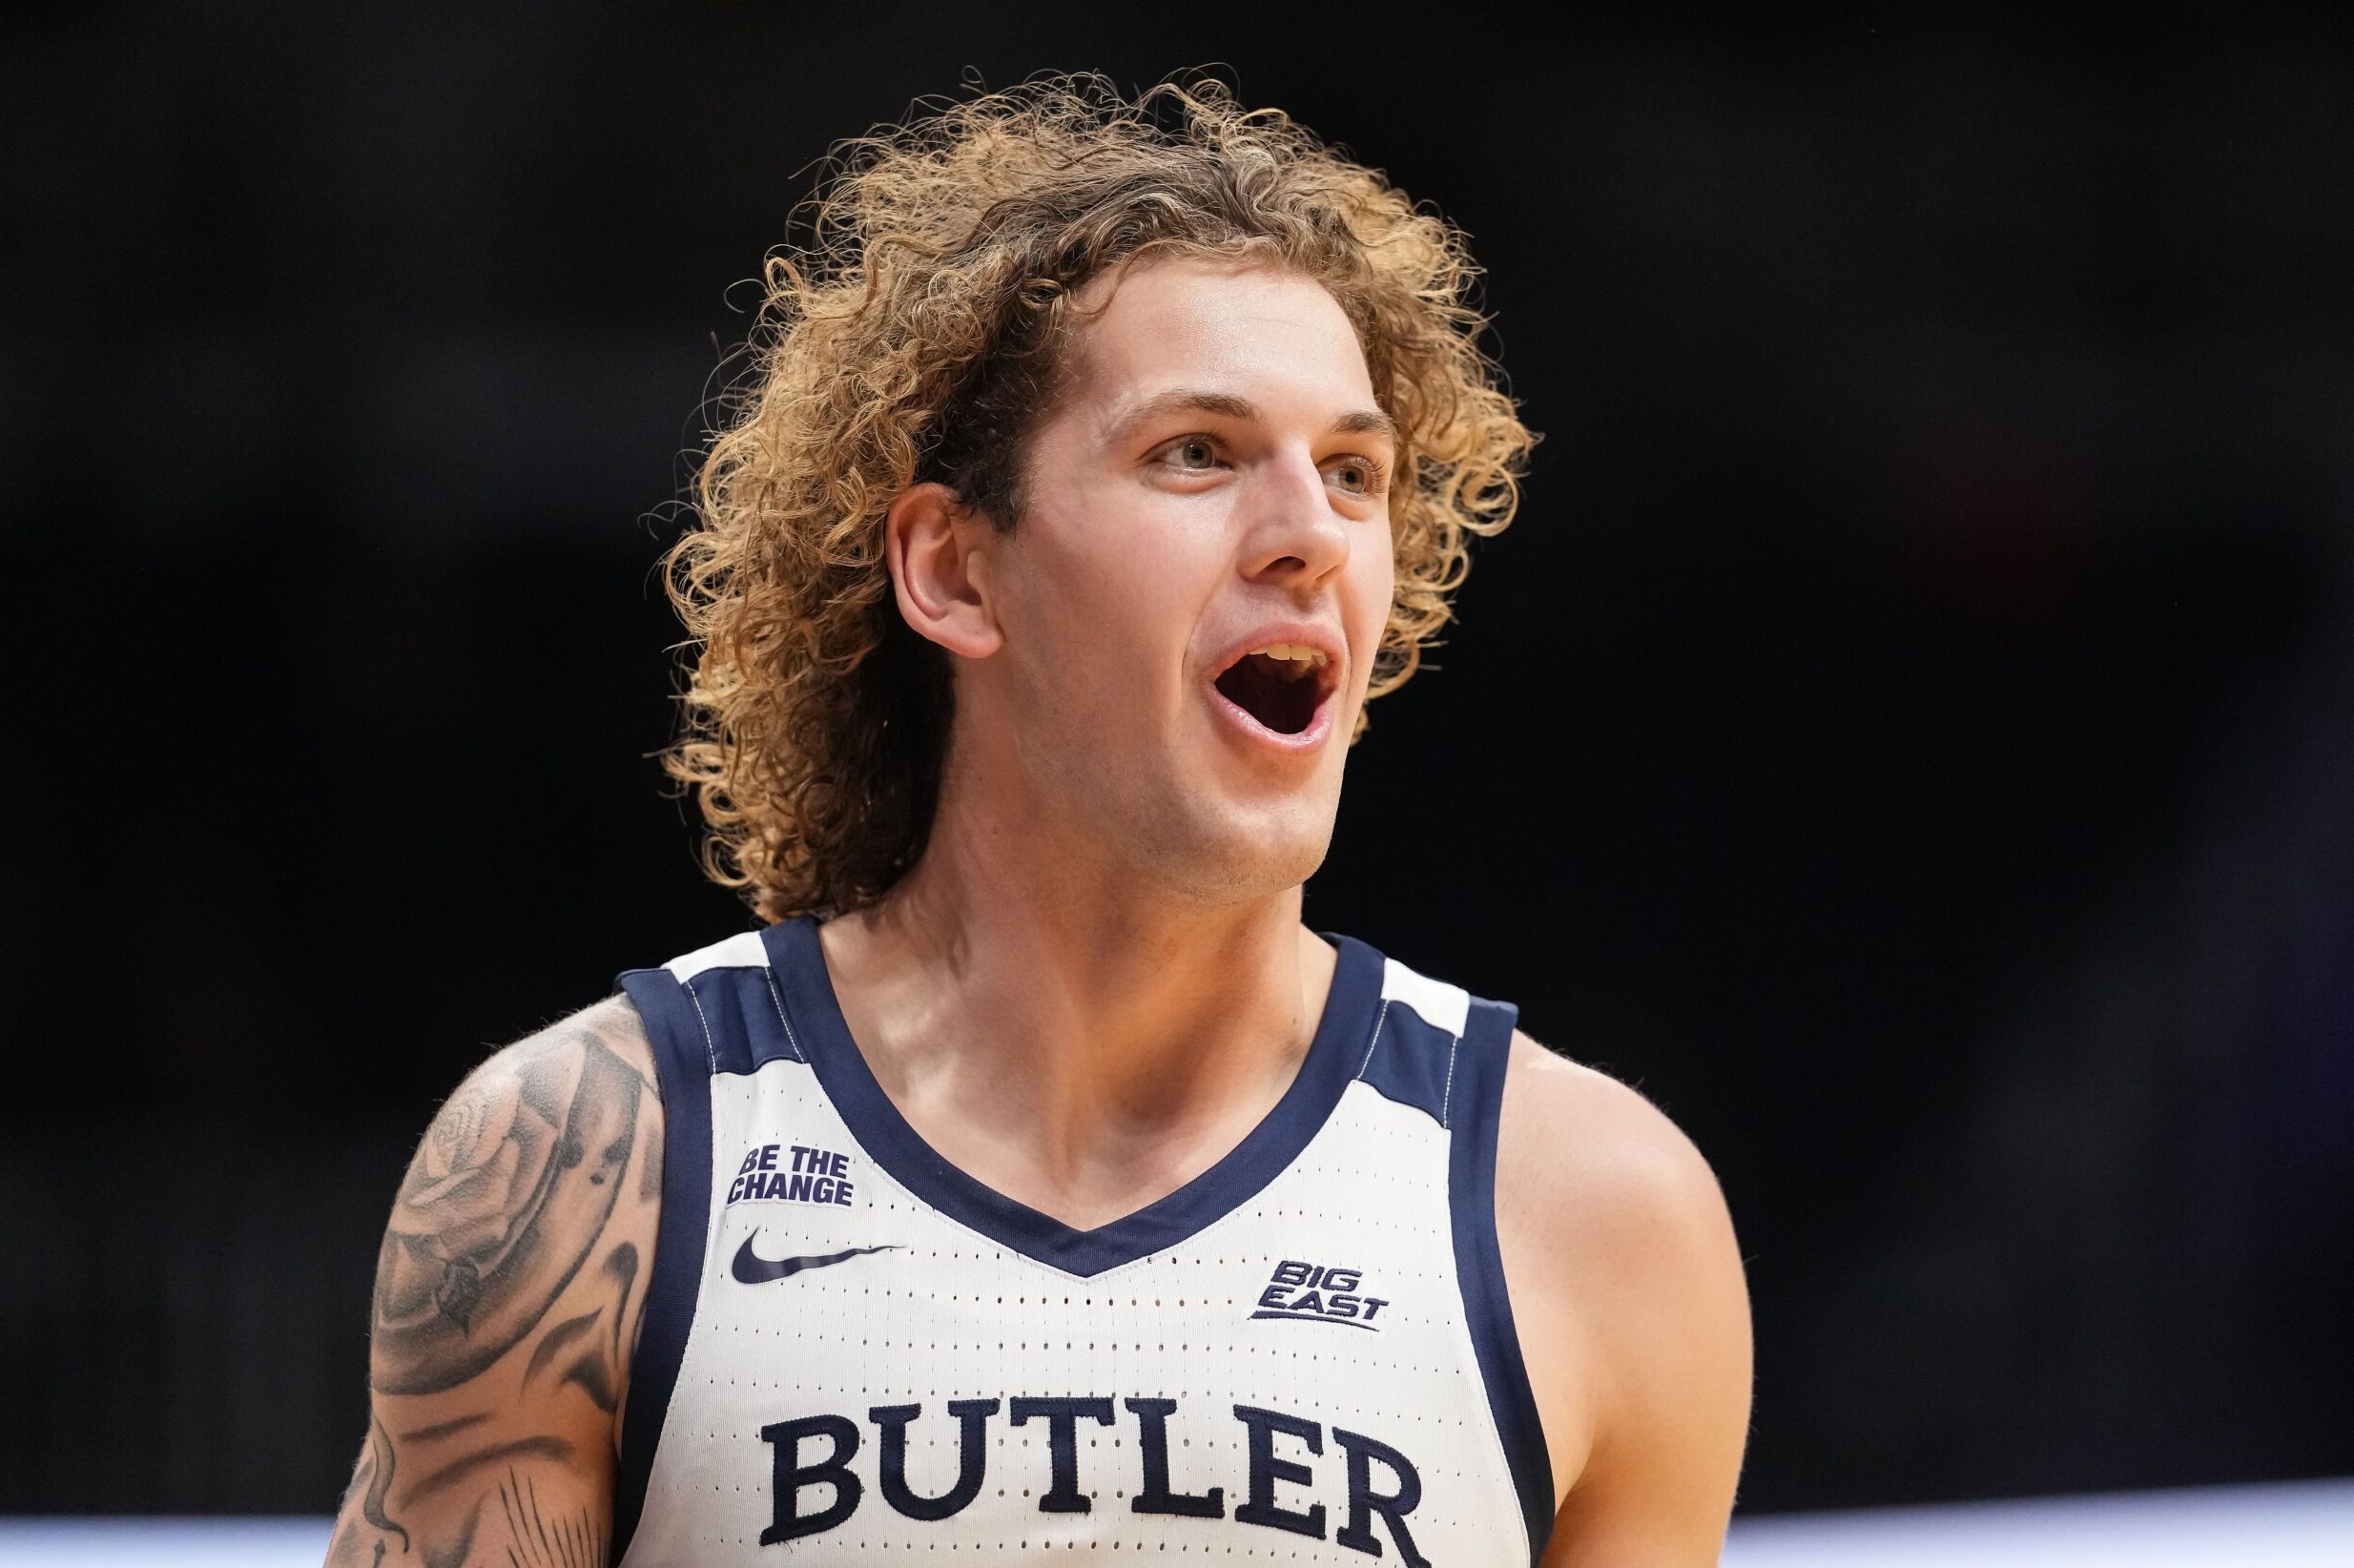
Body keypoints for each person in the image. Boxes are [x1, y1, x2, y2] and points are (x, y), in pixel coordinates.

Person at [325, 75, 1750, 1568]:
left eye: (1353, 473)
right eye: (1195, 452)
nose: (1310, 536)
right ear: (952, 570)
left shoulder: (1595, 1212)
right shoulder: (587, 1166)